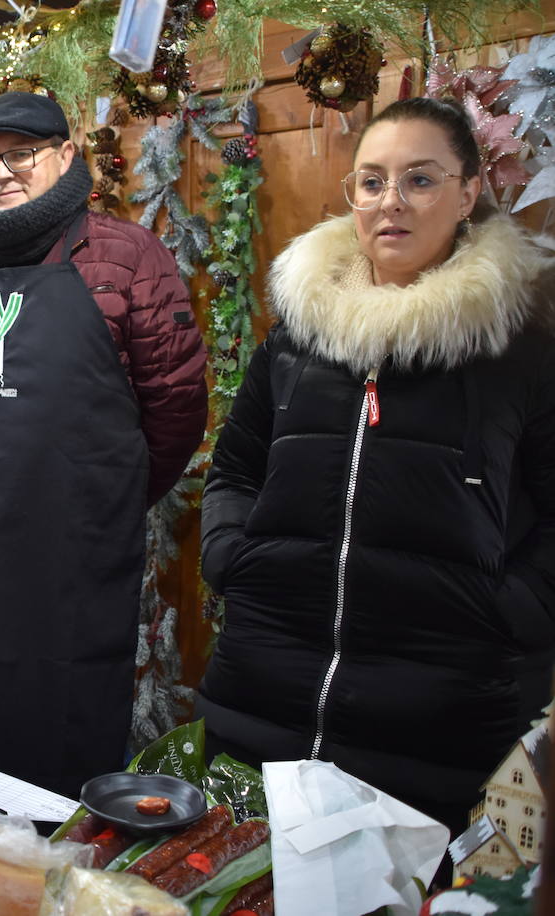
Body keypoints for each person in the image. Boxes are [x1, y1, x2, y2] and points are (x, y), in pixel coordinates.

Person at [198, 96, 555, 837]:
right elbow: (235, 469)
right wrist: (235, 561)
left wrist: (508, 612)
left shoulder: (523, 349)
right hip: (264, 697)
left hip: (443, 727)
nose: (390, 202)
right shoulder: (299, 334)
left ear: (467, 193)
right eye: (370, 181)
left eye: (419, 180)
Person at [0, 93, 208, 796]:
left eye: (21, 154)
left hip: (77, 551)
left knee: (65, 727)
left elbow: (176, 404)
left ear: (66, 156)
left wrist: (103, 496)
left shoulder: (127, 257)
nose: (1, 172)